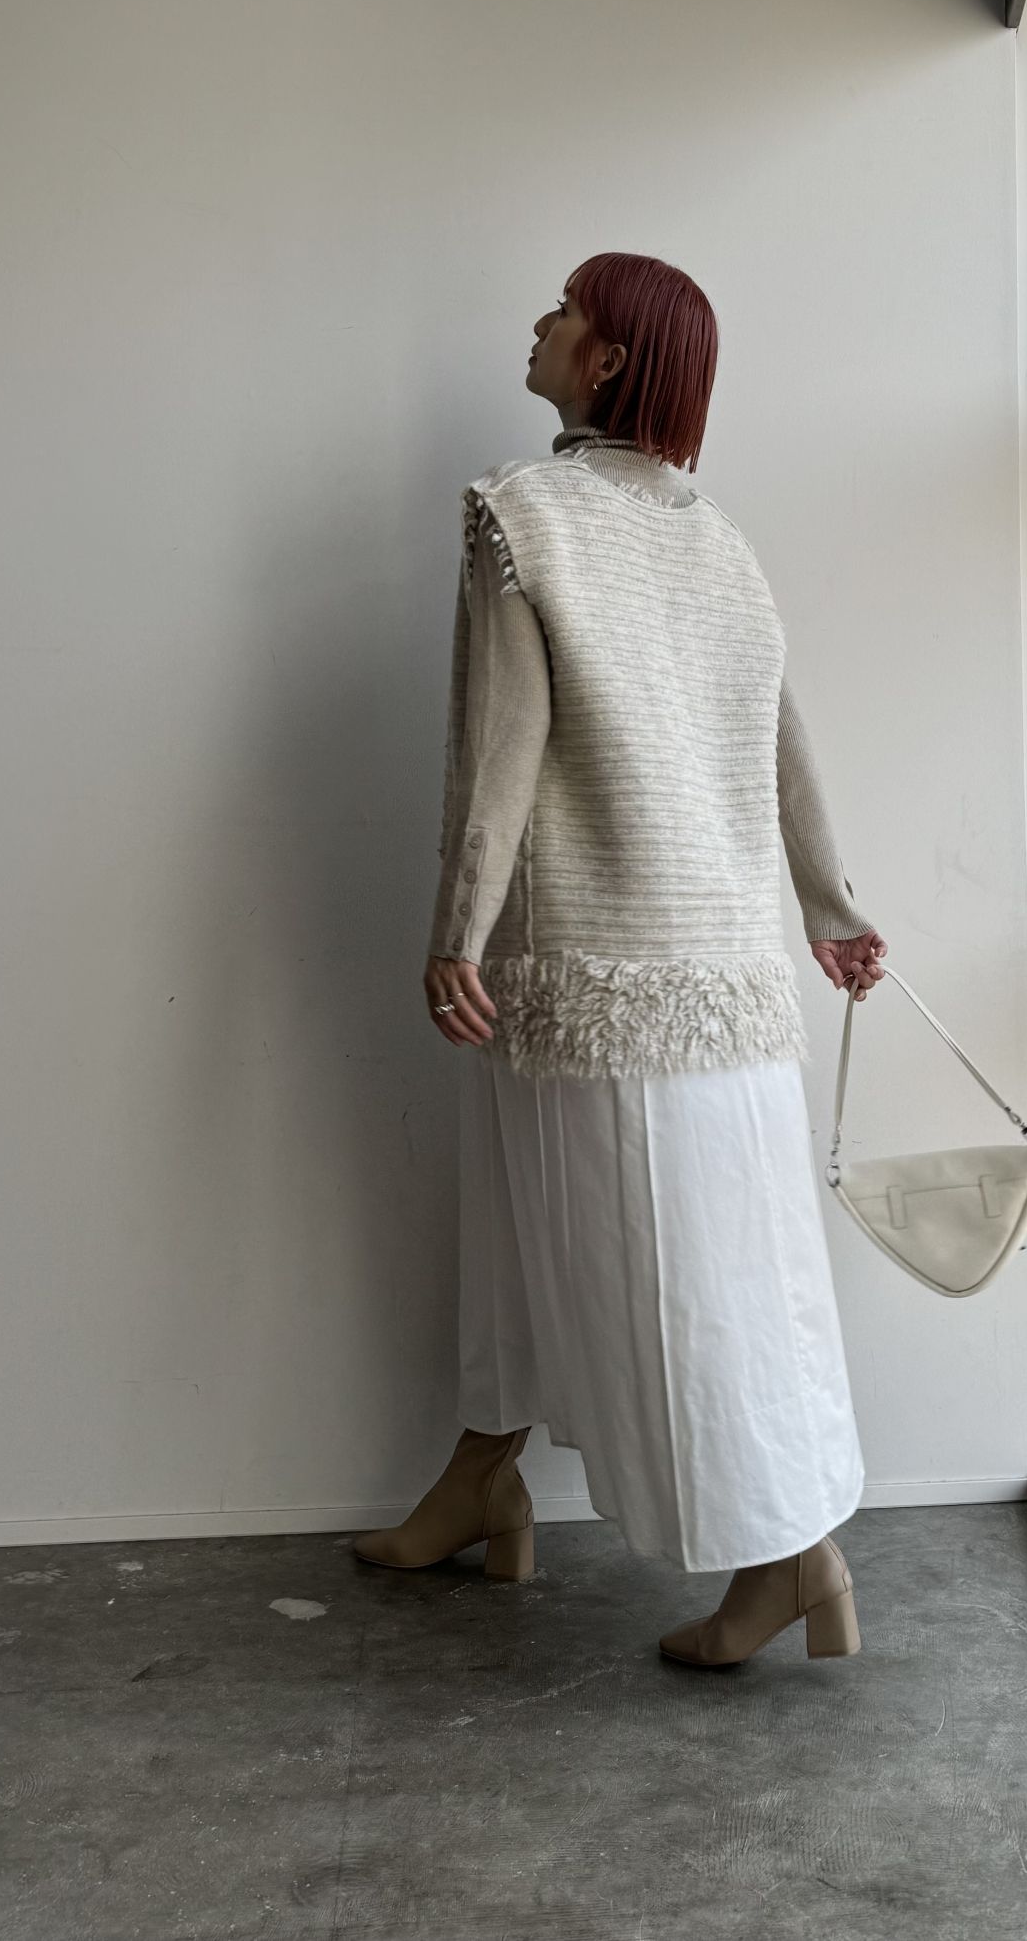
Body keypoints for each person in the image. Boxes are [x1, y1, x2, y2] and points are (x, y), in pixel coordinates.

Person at [354, 251, 887, 1668]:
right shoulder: (719, 540)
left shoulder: (519, 515)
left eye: (564, 309)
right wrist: (830, 910)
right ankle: (483, 1481)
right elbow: (784, 740)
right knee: (578, 1241)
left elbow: (505, 744)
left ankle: (790, 1560)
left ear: (604, 363)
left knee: (669, 1274)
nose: (539, 323)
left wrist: (456, 930)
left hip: (583, 964)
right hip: (725, 976)